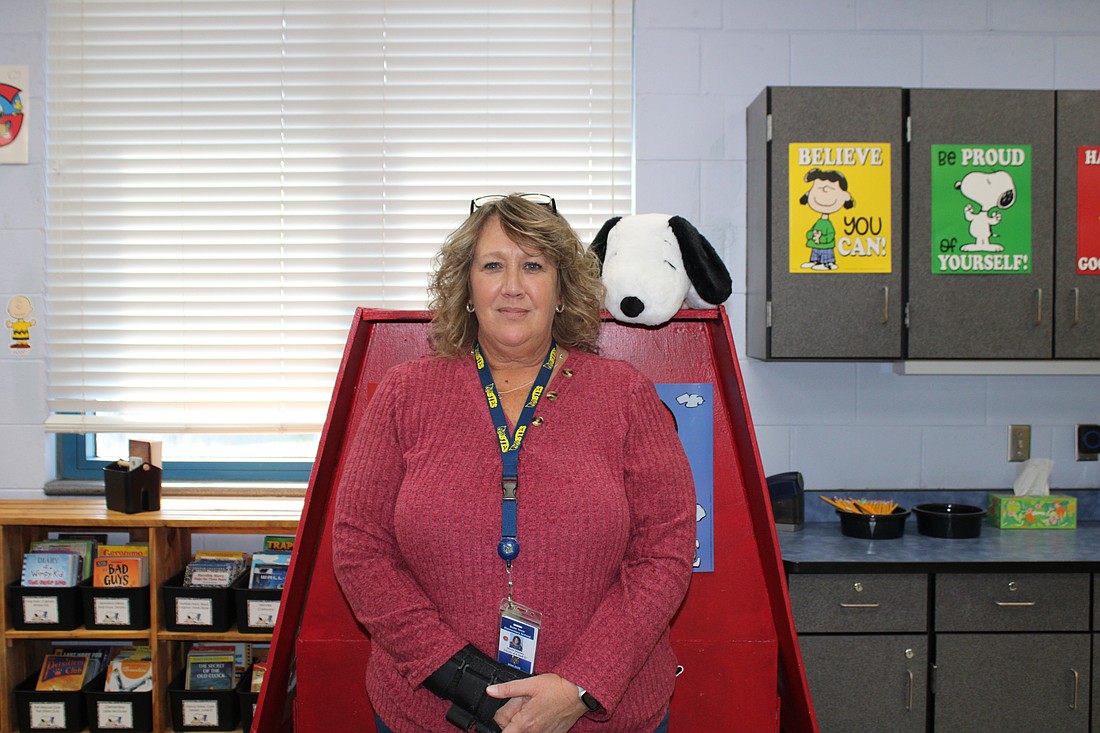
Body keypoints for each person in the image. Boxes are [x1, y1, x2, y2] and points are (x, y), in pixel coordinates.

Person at [332, 193, 696, 733]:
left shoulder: (626, 396)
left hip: (600, 717)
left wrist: (580, 685)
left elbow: (664, 552)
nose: (512, 286)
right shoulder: (404, 394)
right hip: (433, 711)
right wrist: (459, 676)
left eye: (533, 265)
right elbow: (359, 548)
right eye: (493, 265)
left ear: (563, 287)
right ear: (467, 285)